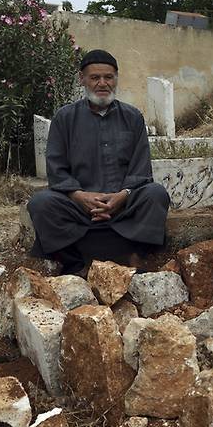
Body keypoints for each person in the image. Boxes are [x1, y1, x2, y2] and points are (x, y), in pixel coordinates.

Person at [27, 49, 170, 276]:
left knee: (156, 194)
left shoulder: (132, 117)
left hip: (124, 205)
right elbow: (56, 169)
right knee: (41, 203)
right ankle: (75, 266)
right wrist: (79, 196)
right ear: (82, 79)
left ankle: (134, 258)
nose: (102, 83)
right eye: (95, 78)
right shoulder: (64, 118)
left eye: (108, 77)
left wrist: (122, 196)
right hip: (79, 206)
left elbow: (141, 168)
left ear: (116, 78)